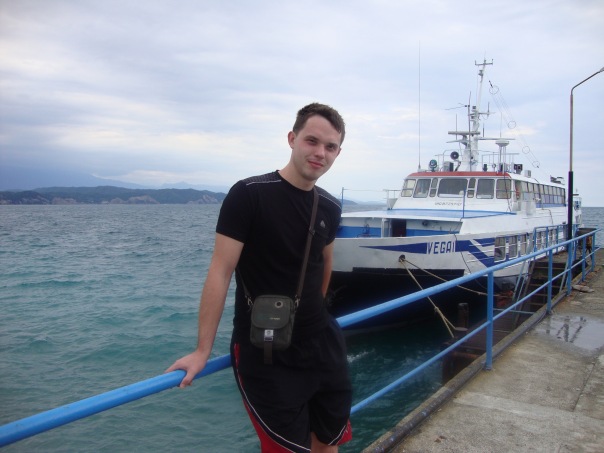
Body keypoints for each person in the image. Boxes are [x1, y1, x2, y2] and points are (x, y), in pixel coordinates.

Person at [166, 103, 352, 452]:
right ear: (292, 138)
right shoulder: (249, 195)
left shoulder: (330, 206)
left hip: (322, 346)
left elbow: (325, 264)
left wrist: (312, 313)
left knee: (329, 444)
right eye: (312, 141)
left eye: (330, 147)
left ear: (338, 153)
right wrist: (203, 350)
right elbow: (220, 271)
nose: (320, 153)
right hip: (267, 351)